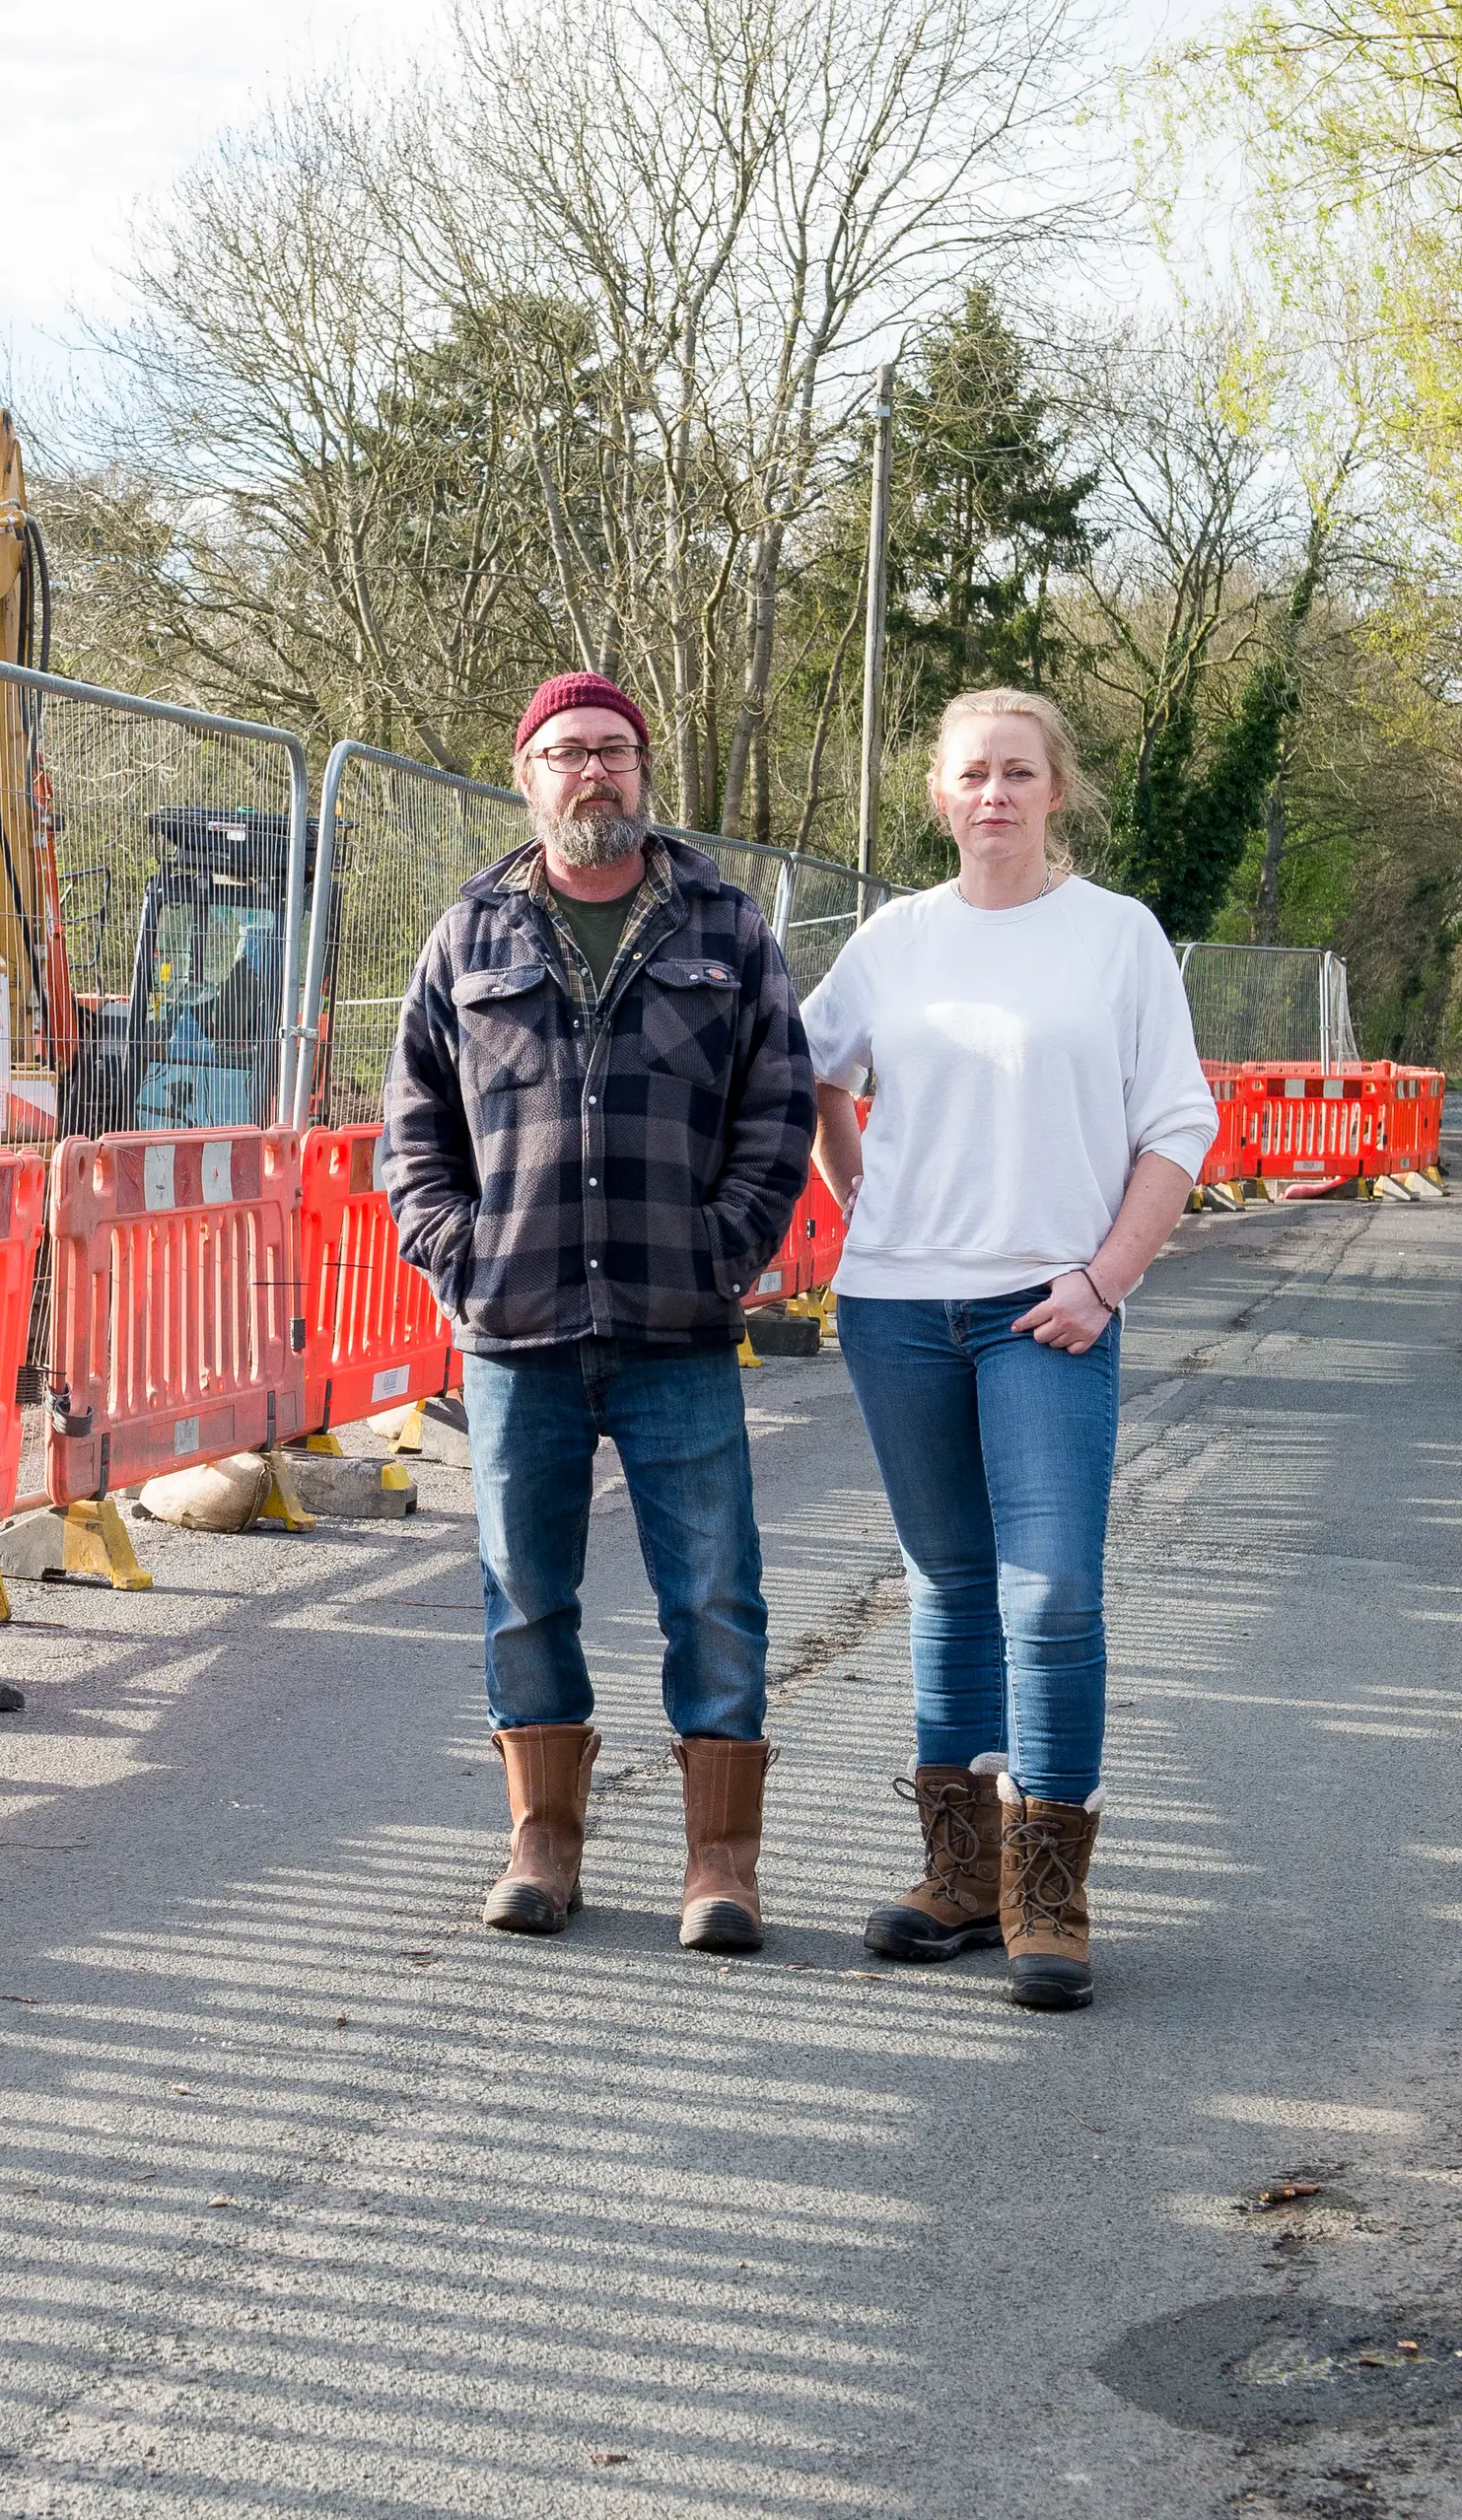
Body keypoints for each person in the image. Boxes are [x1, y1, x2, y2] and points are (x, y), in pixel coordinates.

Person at [383, 671, 817, 1953]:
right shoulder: (470, 936)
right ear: (529, 778)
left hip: (675, 1328)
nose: (595, 773)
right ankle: (543, 1843)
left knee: (716, 1595)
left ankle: (720, 1864)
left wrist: (725, 1248)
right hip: (516, 1334)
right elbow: (413, 1126)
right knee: (526, 1594)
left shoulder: (728, 929)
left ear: (643, 770)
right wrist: (462, 1260)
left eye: (615, 751)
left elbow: (776, 1113)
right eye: (568, 753)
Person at [801, 688, 1216, 2009]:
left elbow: (1176, 1131)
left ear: (1055, 791)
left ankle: (1051, 1890)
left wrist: (1104, 1280)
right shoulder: (894, 938)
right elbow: (807, 1064)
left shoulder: (1116, 939)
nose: (994, 793)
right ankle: (961, 1876)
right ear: (937, 794)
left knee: (1051, 1595)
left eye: (1019, 772)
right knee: (946, 1581)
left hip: (1050, 1309)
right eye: (972, 772)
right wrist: (861, 1191)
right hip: (897, 1311)